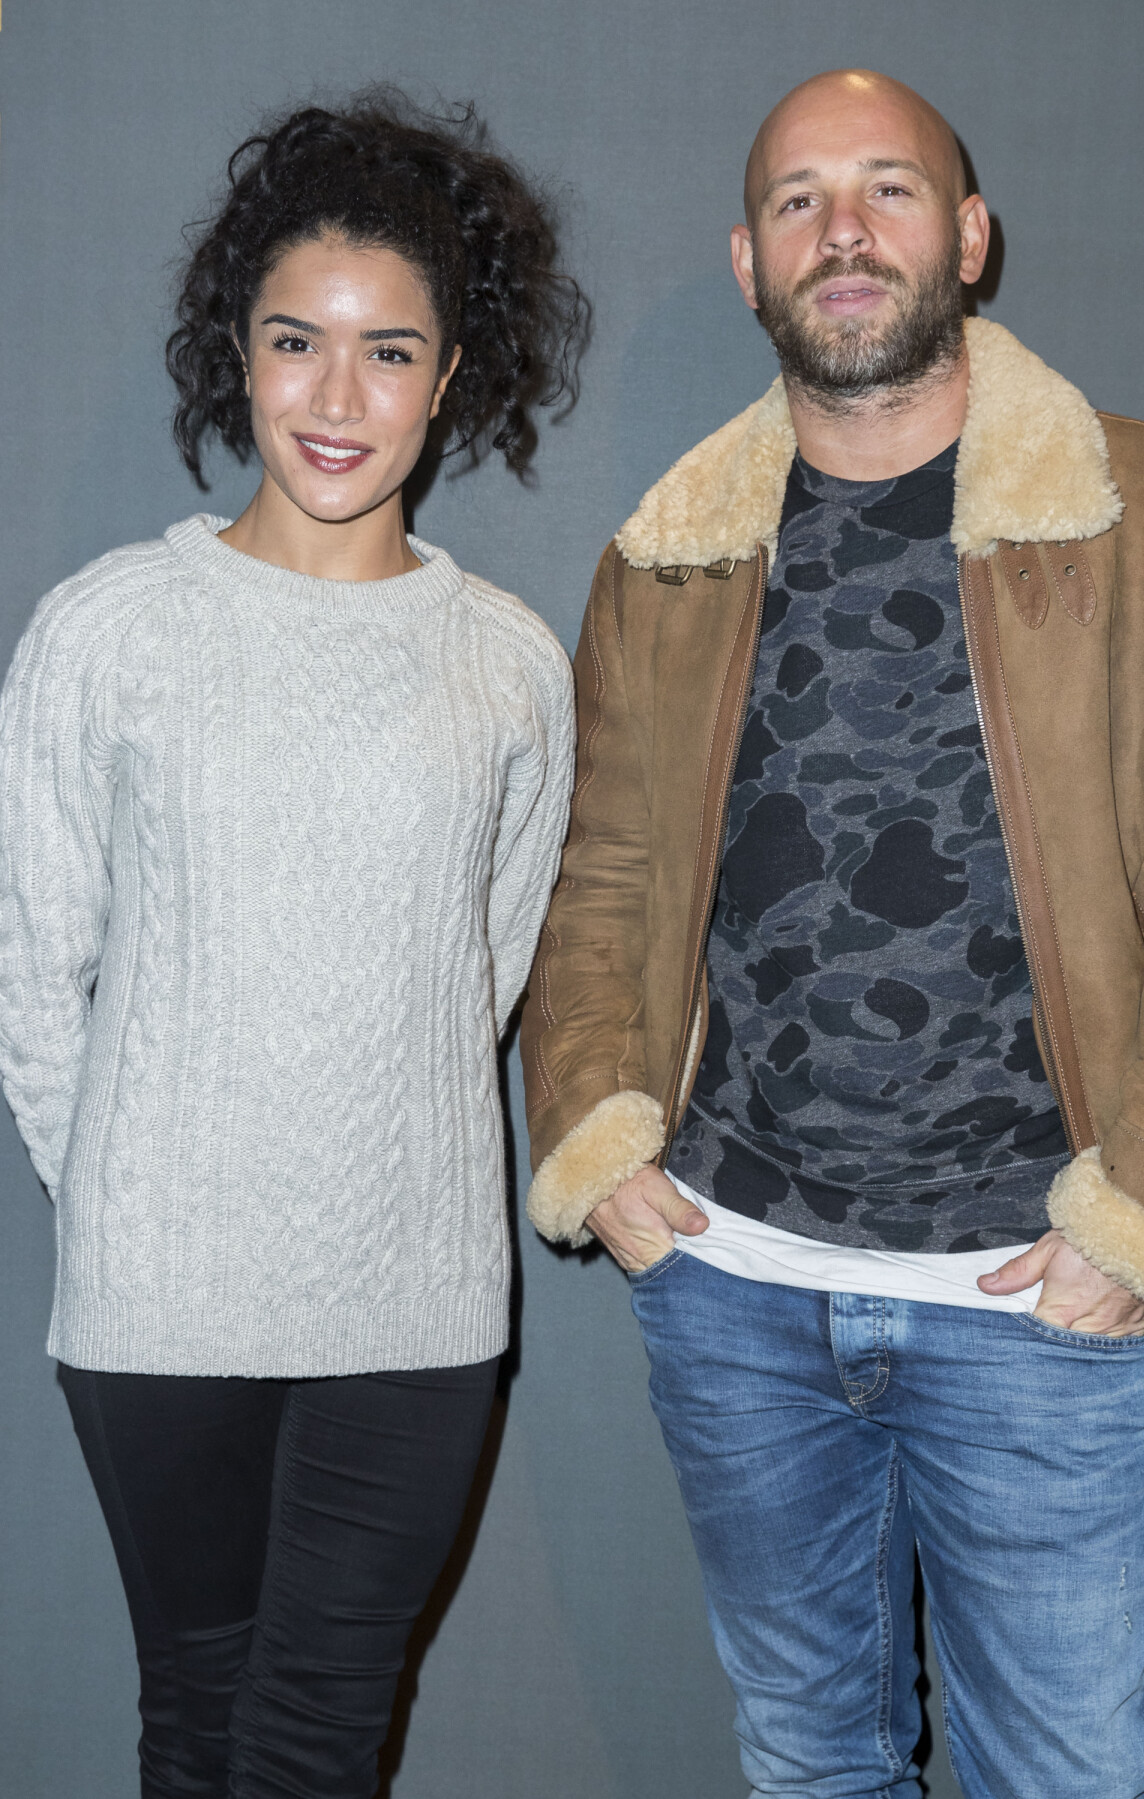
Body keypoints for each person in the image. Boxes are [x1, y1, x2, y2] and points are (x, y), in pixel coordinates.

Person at [521, 66, 1144, 1798]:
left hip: (1039, 1304)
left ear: (968, 236)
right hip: (738, 1297)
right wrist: (598, 1137)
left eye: (889, 190)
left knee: (1075, 1780)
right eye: (801, 198)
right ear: (747, 259)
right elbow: (599, 871)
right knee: (812, 1765)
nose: (845, 229)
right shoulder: (661, 560)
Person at [0, 94, 581, 1799]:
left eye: (388, 352)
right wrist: (120, 1188)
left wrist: (361, 1157)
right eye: (296, 344)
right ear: (235, 354)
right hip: (157, 1295)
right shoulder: (109, 630)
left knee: (323, 1733)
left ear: (451, 376)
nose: (338, 399)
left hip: (413, 1299)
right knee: (196, 1719)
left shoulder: (507, 664)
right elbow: (35, 967)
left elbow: (476, 977)